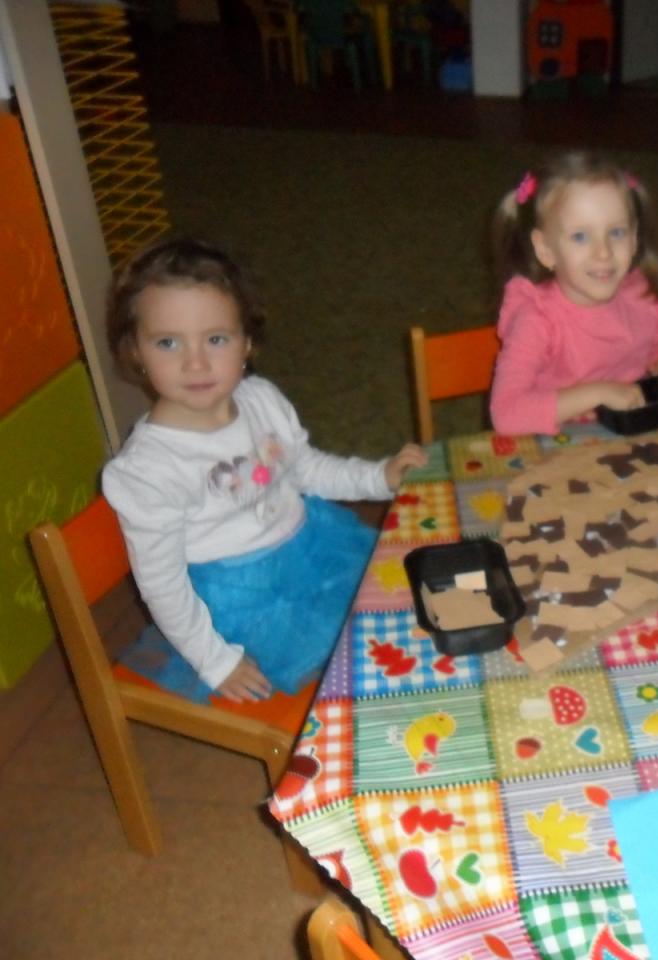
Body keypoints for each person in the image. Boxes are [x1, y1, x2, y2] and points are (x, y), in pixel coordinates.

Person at [101, 238, 427, 703]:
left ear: (247, 342)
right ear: (135, 351)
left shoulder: (261, 400)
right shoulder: (149, 468)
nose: (195, 362)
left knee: (403, 602)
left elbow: (306, 468)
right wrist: (216, 661)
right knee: (361, 661)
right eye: (168, 342)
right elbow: (162, 584)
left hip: (312, 550)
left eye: (216, 339)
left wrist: (378, 477)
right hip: (243, 607)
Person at [488, 151, 658, 436]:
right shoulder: (537, 320)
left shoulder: (640, 296)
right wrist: (599, 393)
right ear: (545, 249)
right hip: (556, 448)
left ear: (634, 238)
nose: (603, 252)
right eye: (580, 236)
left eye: (616, 232)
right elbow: (506, 414)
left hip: (624, 439)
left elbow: (647, 349)